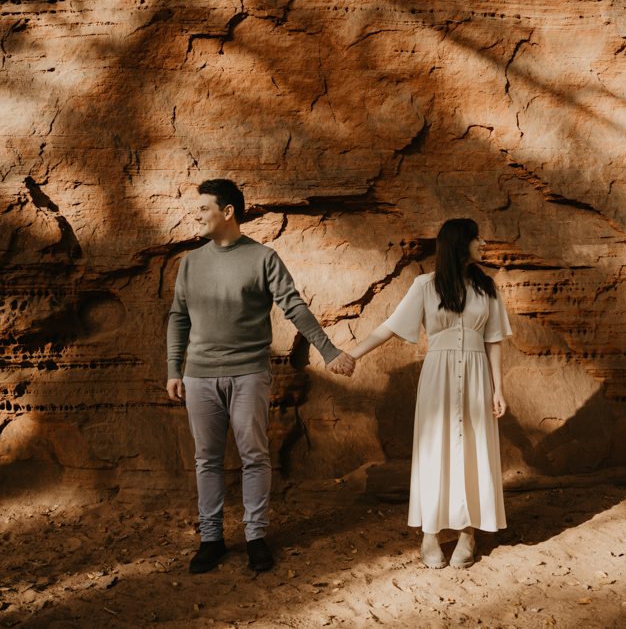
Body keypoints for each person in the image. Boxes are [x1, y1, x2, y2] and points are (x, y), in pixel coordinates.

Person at [166, 179, 355, 574]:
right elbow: (178, 317)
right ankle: (211, 539)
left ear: (228, 211)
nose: (196, 215)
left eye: (203, 208)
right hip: (199, 376)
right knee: (207, 460)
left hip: (249, 373)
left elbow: (294, 307)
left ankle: (255, 537)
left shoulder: (263, 257)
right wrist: (173, 369)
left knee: (255, 456)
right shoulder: (191, 262)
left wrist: (329, 349)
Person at [347, 218, 512, 568]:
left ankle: (468, 532)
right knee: (434, 448)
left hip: (477, 373)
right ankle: (431, 534)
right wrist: (352, 355)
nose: (482, 242)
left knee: (474, 446)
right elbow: (390, 327)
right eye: (475, 238)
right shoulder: (426, 285)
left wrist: (499, 388)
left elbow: (494, 339)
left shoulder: (488, 287)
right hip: (437, 374)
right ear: (459, 243)